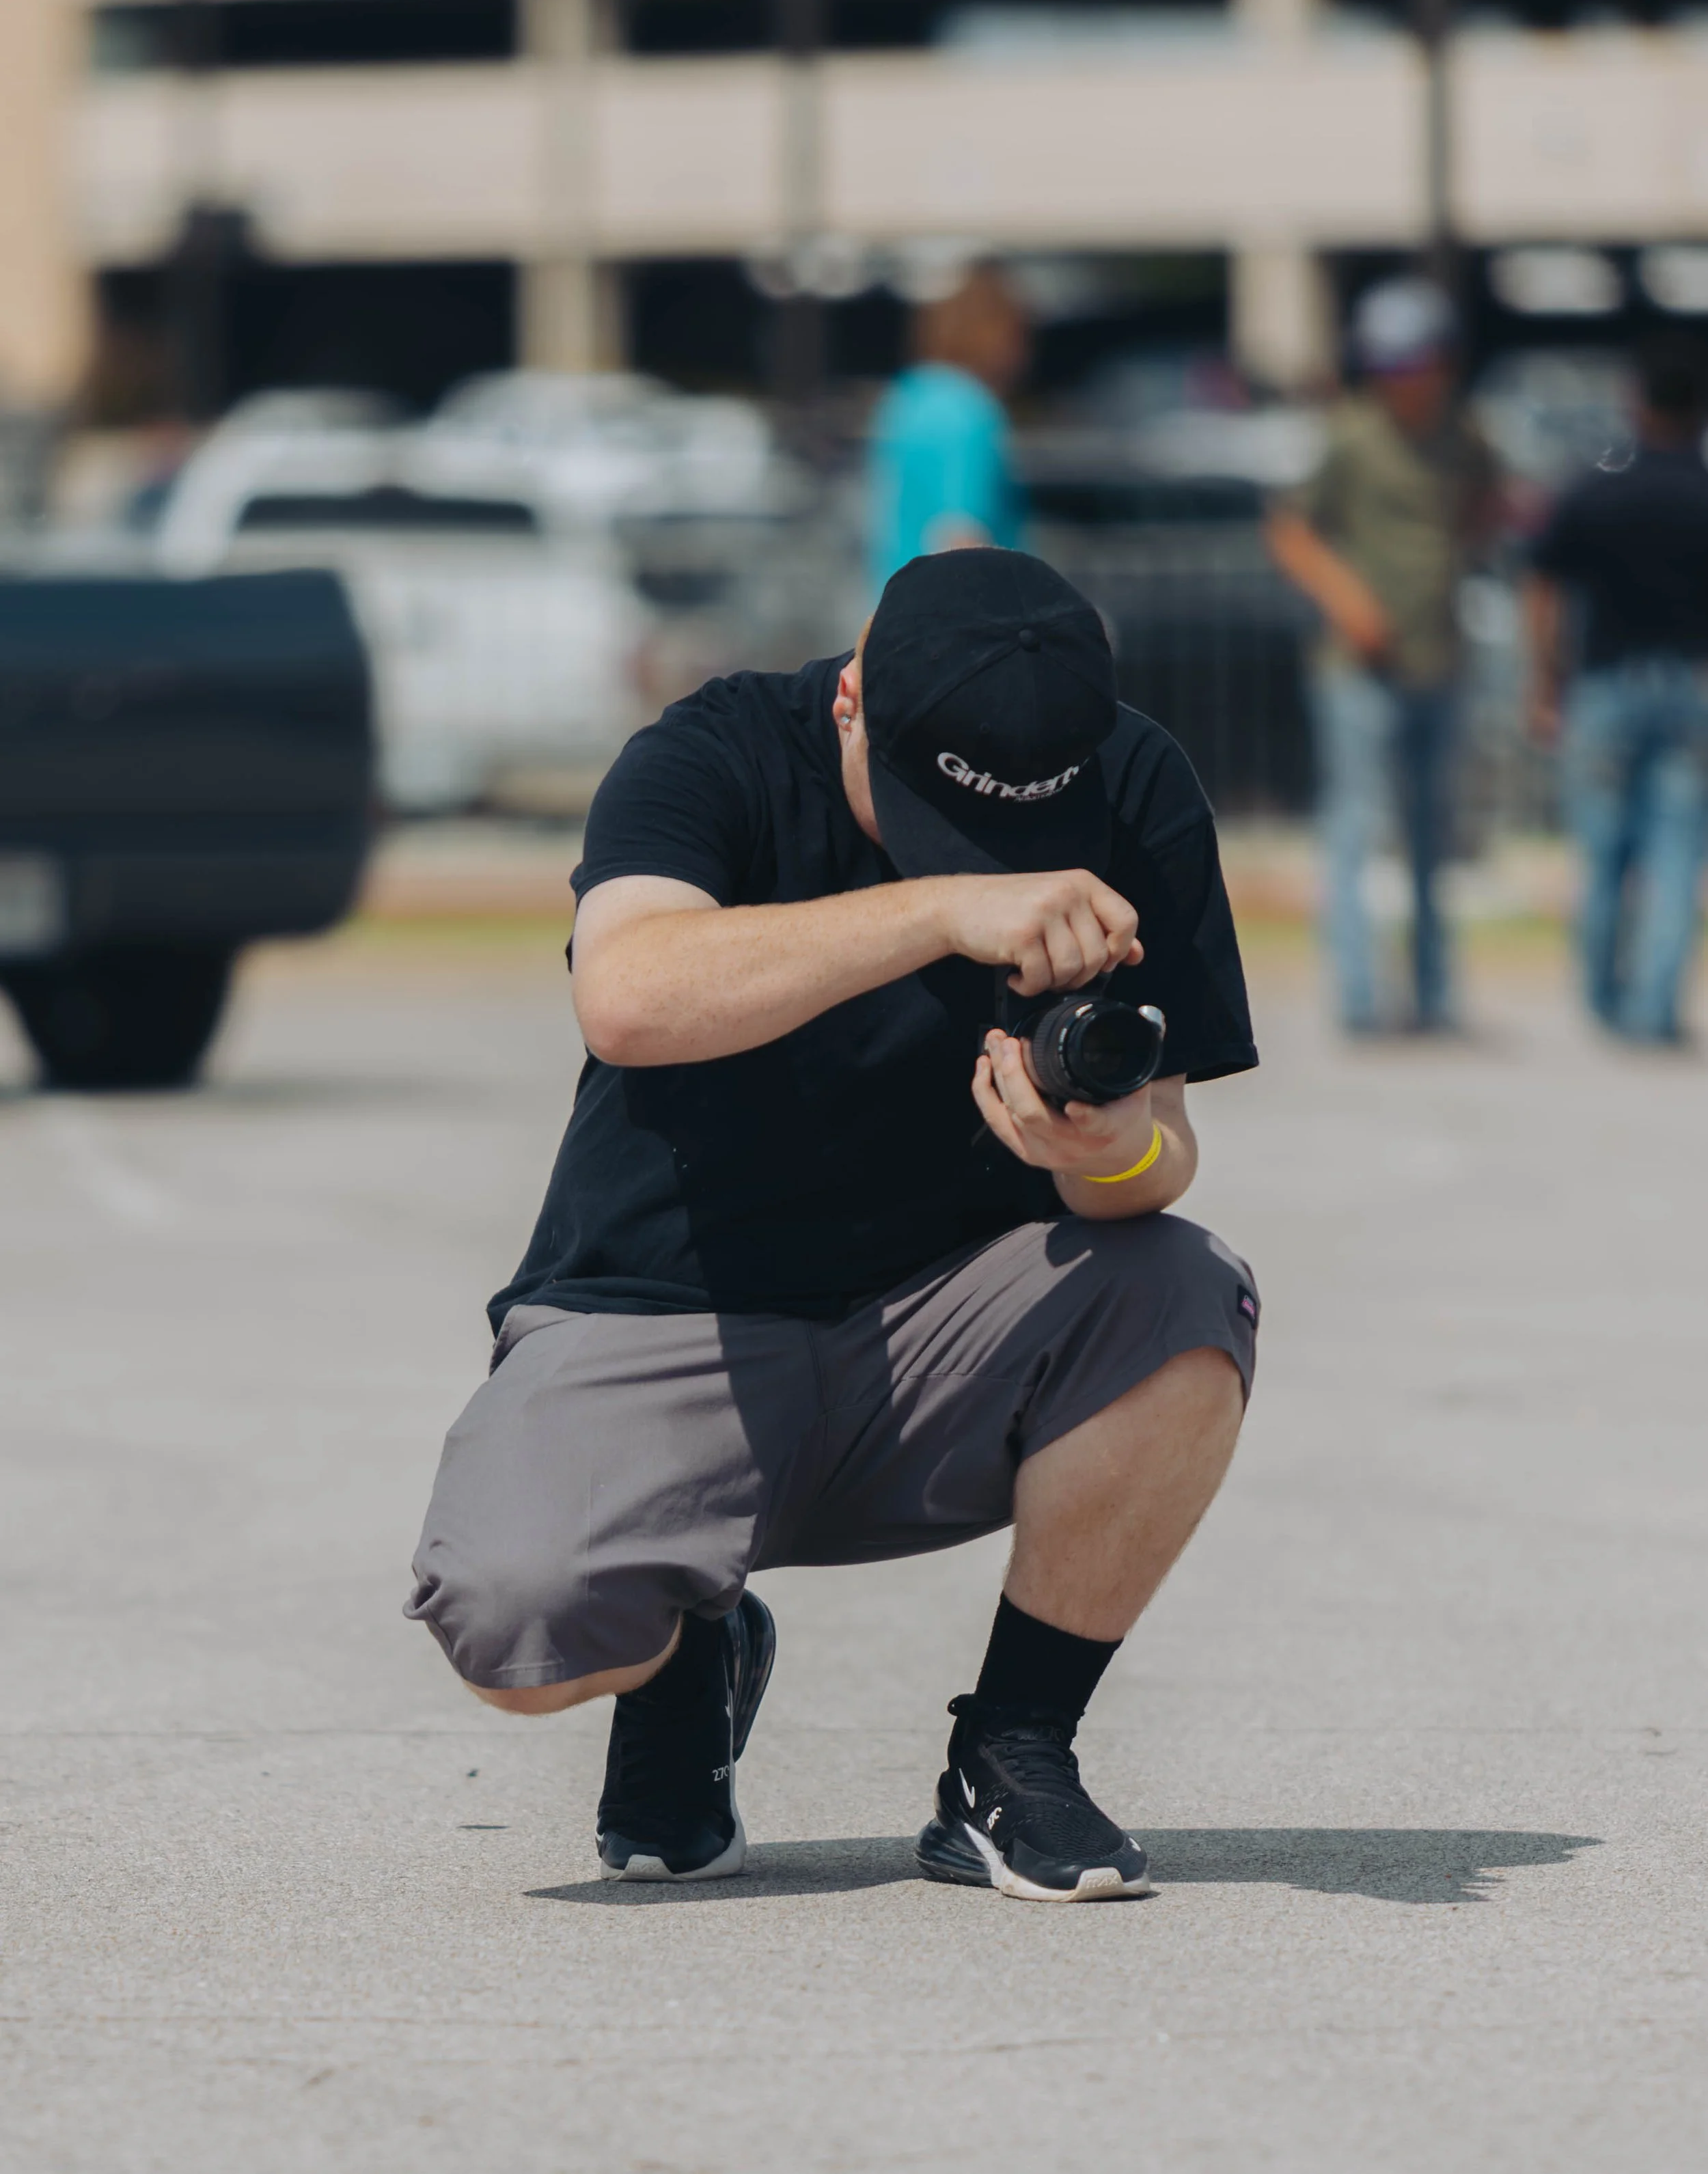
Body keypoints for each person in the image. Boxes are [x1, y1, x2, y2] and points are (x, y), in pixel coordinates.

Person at [406, 549, 1261, 1904]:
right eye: (935, 820)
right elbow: (627, 995)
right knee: (516, 1628)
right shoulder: (717, 751)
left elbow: (1165, 1150)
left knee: (1183, 1289)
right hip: (669, 1307)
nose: (973, 856)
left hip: (948, 1325)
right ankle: (694, 1652)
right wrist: (942, 909)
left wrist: (1109, 1154)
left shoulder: (1132, 779)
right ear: (851, 697)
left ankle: (1013, 1751)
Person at [1267, 278, 1498, 1034]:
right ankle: (1360, 996)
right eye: (1387, 365)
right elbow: (1291, 531)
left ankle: (1432, 993)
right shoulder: (1352, 435)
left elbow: (1487, 507)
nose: (1400, 379)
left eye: (1412, 364)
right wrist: (1348, 600)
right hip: (1357, 669)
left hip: (1439, 659)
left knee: (1434, 834)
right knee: (1357, 826)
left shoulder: (1465, 435)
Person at [1524, 338, 1708, 1045]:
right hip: (1690, 687)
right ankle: (1655, 1009)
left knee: (1603, 852)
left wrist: (1544, 682)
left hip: (1605, 686)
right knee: (1676, 854)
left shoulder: (1595, 489)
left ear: (1636, 405)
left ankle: (1603, 999)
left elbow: (1542, 587)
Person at [866, 265, 1029, 596]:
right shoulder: (967, 409)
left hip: (896, 598)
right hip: (948, 609)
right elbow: (960, 534)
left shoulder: (907, 398)